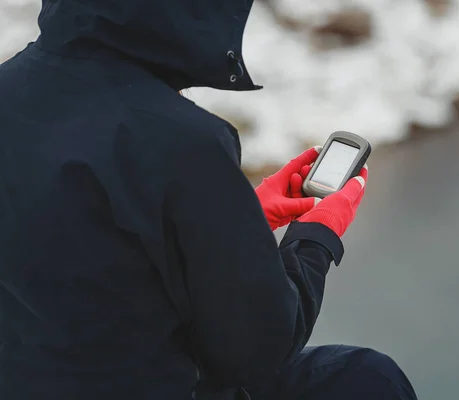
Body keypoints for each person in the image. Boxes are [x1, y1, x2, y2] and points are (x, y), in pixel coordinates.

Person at [0, 0, 418, 399]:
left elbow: (88, 252)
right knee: (368, 379)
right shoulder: (180, 139)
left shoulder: (10, 90)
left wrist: (239, 216)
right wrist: (316, 237)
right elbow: (259, 351)